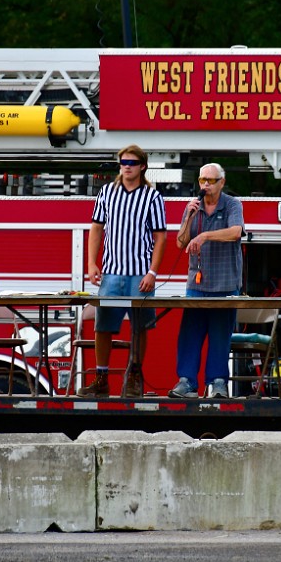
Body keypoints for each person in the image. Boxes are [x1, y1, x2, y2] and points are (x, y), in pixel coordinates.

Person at [78, 144, 167, 397]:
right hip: (112, 271)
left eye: (131, 162)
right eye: (123, 162)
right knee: (102, 326)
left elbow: (160, 237)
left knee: (140, 326)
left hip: (140, 271)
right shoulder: (107, 192)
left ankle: (135, 375)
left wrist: (153, 272)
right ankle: (101, 377)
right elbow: (96, 228)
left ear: (142, 166)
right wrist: (92, 263)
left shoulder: (152, 197)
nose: (126, 166)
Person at [169, 163, 244, 399]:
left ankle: (218, 383)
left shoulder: (233, 204)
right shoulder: (193, 206)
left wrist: (205, 235)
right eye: (202, 180)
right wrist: (189, 218)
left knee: (220, 336)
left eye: (210, 181)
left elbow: (235, 232)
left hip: (225, 284)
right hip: (197, 285)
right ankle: (186, 382)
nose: (205, 185)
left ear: (222, 182)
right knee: (190, 334)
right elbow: (180, 243)